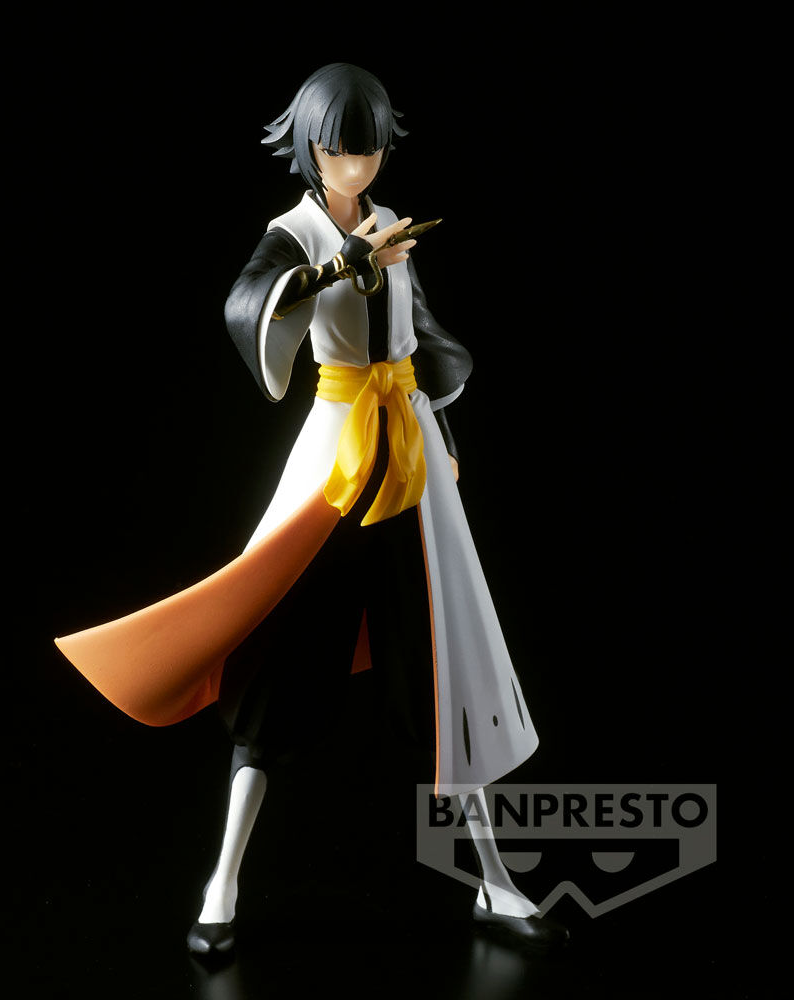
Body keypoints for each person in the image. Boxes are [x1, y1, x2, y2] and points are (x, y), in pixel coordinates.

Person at [55, 62, 567, 959]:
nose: (358, 167)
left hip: (408, 454)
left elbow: (417, 337)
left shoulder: (390, 223)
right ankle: (222, 881)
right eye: (340, 151)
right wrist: (342, 264)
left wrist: (443, 429)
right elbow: (250, 306)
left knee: (447, 666)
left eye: (371, 151)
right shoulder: (291, 232)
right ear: (311, 149)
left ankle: (495, 879)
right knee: (277, 672)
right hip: (336, 462)